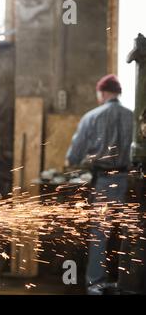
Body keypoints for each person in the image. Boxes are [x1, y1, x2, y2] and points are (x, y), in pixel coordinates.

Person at [65, 74, 133, 295]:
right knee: (129, 236)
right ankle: (128, 283)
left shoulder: (91, 117)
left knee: (99, 236)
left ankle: (95, 284)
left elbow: (73, 156)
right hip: (129, 183)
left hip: (104, 182)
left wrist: (74, 162)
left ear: (102, 94)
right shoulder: (132, 116)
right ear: (118, 93)